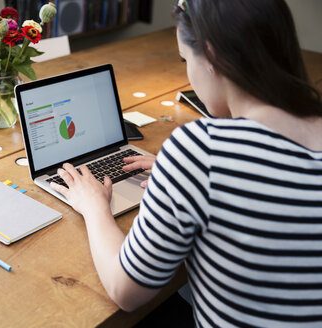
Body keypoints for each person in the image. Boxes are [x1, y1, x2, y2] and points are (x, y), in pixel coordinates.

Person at [50, 0, 322, 326]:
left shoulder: (200, 152)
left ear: (212, 56)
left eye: (184, 59)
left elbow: (125, 291)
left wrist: (94, 205)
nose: (187, 72)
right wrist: (176, 175)